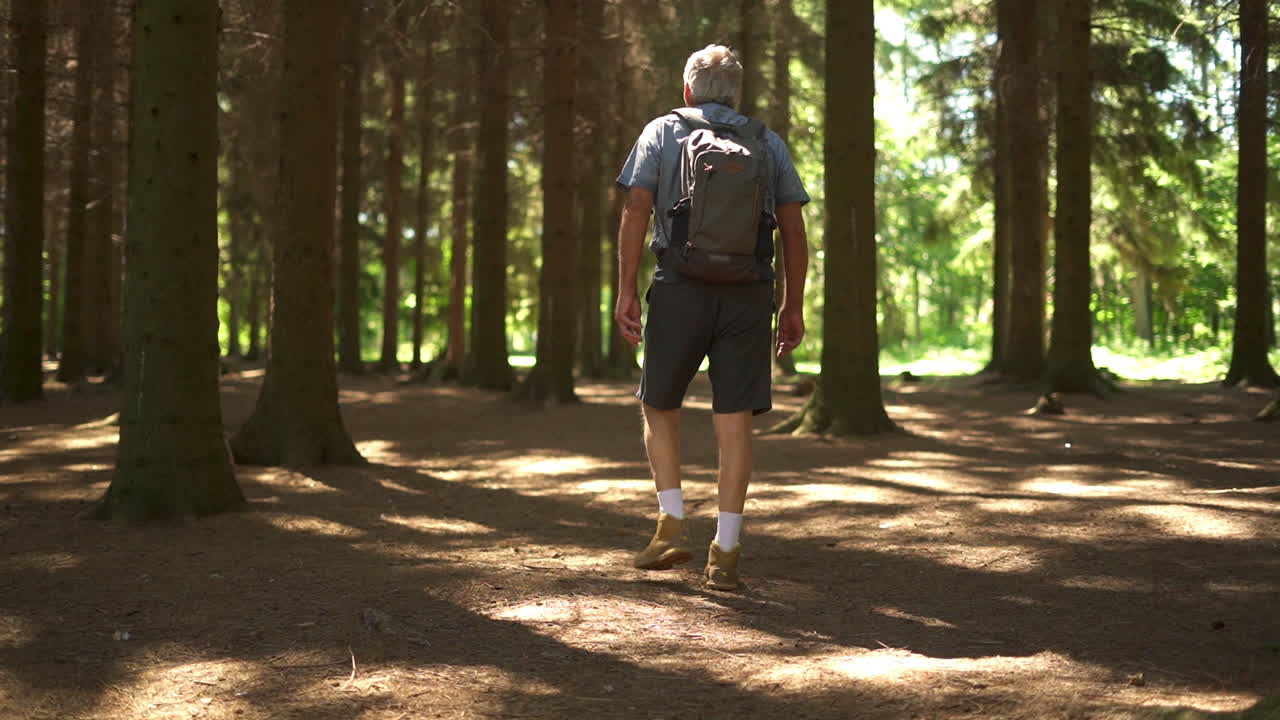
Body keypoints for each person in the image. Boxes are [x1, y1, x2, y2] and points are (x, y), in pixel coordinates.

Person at [614, 44, 810, 591]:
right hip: (750, 294)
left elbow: (635, 209)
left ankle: (671, 524)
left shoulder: (661, 132)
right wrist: (791, 305)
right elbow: (793, 231)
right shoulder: (767, 142)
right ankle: (725, 551)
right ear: (737, 95)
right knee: (735, 417)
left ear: (687, 92)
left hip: (678, 287)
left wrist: (627, 289)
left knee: (658, 403)